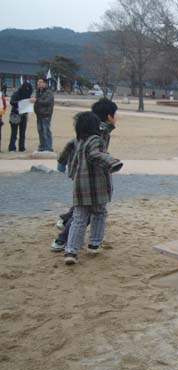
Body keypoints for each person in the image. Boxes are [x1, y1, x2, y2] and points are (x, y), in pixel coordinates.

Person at [51, 98, 119, 252]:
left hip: (83, 174)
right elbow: (92, 149)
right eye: (115, 114)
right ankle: (62, 240)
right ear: (109, 116)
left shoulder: (87, 129)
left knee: (82, 207)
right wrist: (111, 162)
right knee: (86, 212)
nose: (116, 118)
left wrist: (62, 162)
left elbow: (71, 144)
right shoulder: (100, 131)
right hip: (91, 176)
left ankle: (65, 219)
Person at [62, 112, 123, 265]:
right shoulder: (96, 140)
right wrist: (112, 162)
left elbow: (67, 149)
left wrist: (61, 162)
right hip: (97, 186)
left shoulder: (78, 140)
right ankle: (94, 244)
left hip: (80, 186)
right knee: (99, 213)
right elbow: (95, 154)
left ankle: (71, 251)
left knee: (79, 218)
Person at [8, 82, 33, 152]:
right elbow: (12, 102)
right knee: (14, 133)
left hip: (24, 115)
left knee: (22, 133)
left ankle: (21, 148)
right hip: (15, 114)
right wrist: (20, 103)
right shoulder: (16, 93)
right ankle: (12, 148)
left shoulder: (28, 95)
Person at [32, 78, 55, 152]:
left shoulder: (49, 92)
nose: (38, 83)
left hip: (46, 115)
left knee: (46, 131)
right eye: (38, 82)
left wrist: (37, 100)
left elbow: (47, 102)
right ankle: (42, 146)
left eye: (40, 82)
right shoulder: (38, 92)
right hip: (39, 115)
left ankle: (48, 147)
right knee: (40, 131)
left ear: (45, 83)